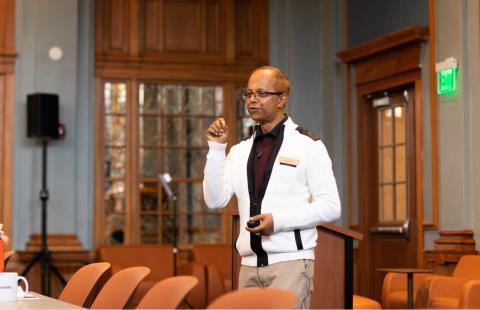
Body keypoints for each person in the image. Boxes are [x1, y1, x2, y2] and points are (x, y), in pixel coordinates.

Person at [203, 65, 341, 309]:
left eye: (262, 93)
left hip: (291, 264)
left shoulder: (308, 146)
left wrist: (278, 221)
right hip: (249, 266)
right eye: (249, 94)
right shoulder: (239, 150)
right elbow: (215, 200)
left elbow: (330, 207)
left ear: (282, 99)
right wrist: (216, 150)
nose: (253, 100)